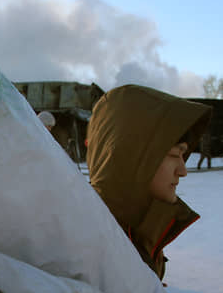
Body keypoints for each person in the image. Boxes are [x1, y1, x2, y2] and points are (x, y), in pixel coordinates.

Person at [86, 85, 211, 280]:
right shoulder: (91, 249)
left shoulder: (136, 233)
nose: (183, 171)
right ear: (132, 158)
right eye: (174, 155)